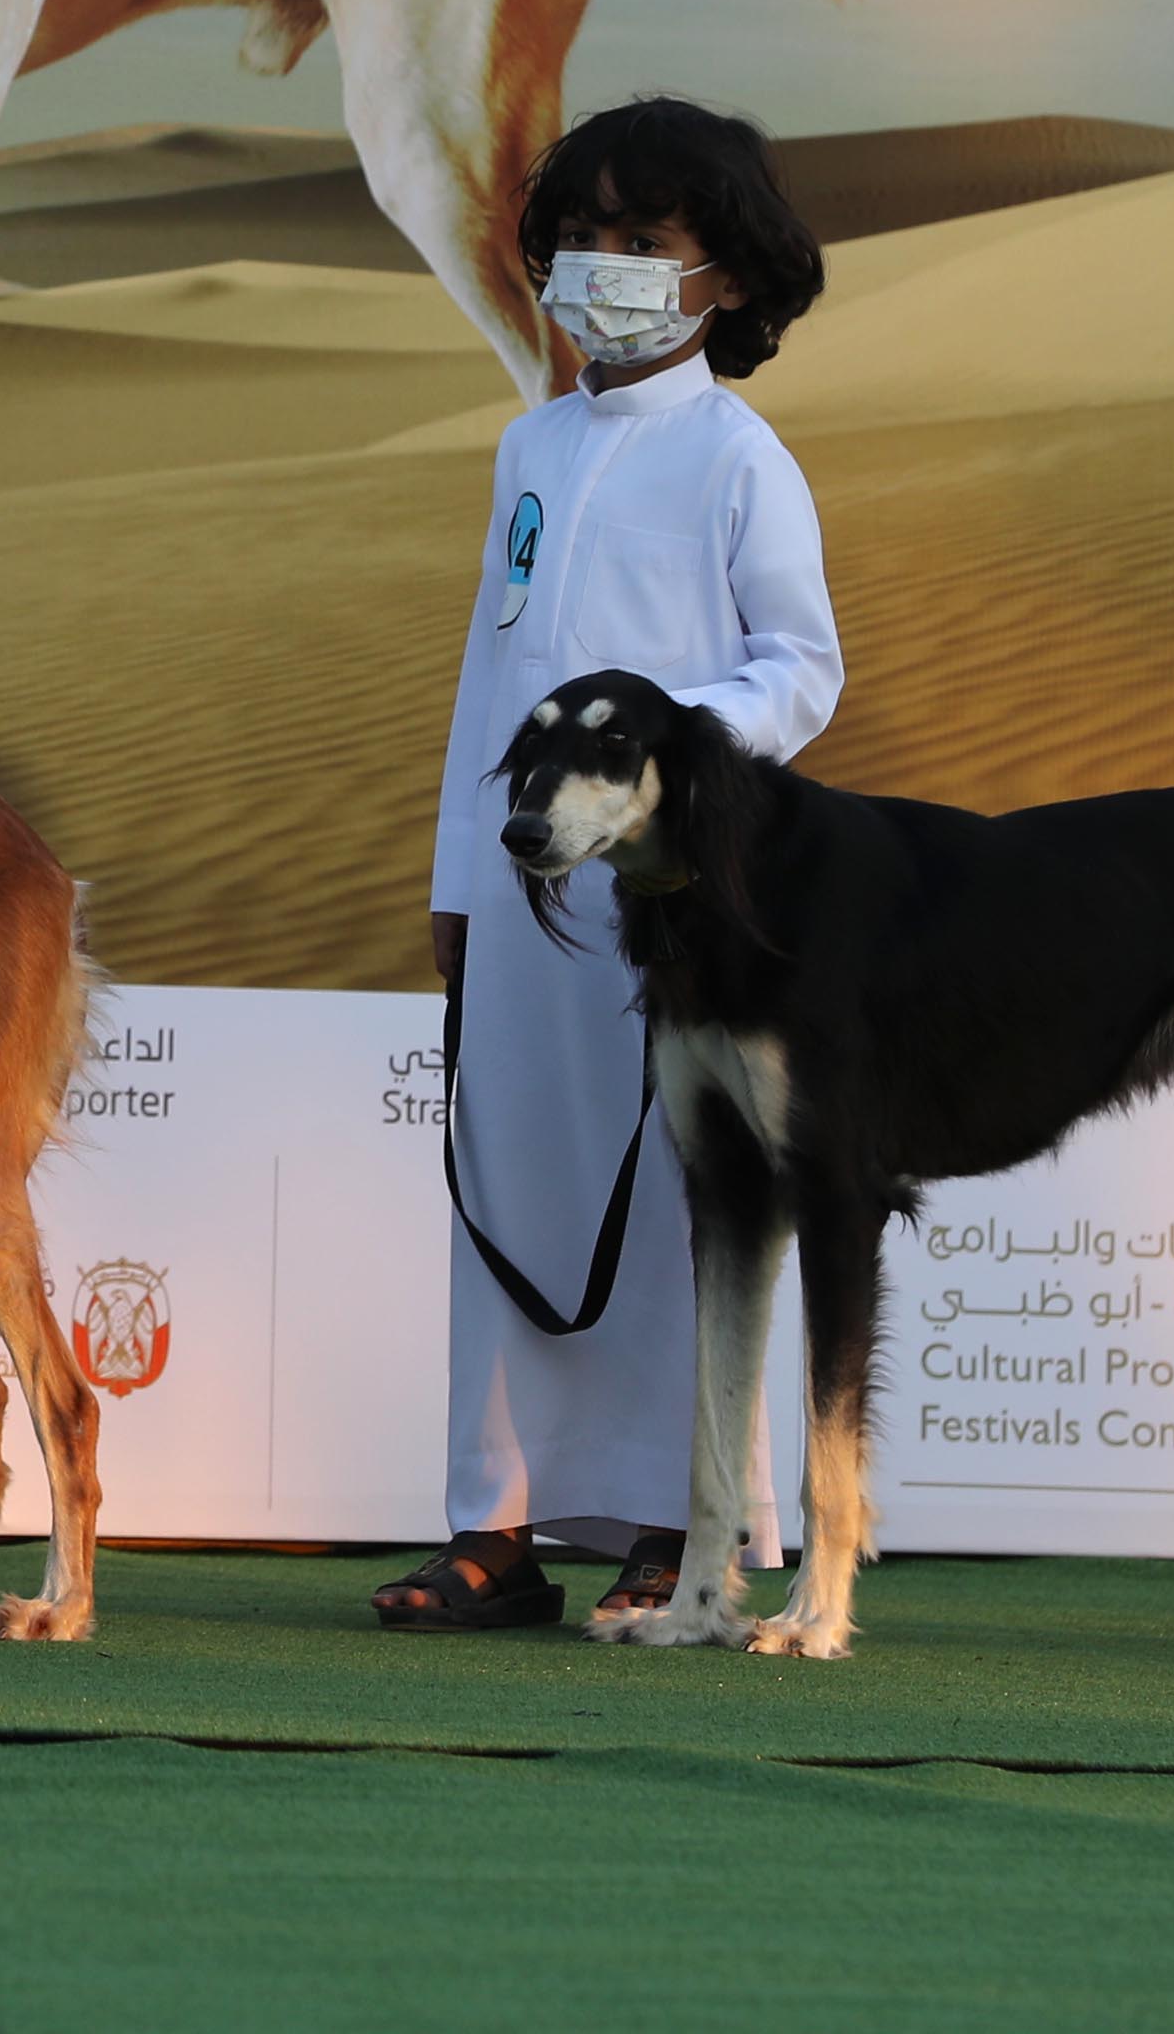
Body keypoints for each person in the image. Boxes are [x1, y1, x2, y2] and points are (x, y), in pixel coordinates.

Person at [373, 96, 840, 1630]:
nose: (603, 269)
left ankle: (679, 1522)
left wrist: (669, 759)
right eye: (581, 239)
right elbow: (487, 672)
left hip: (665, 898)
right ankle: (490, 1527)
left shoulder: (737, 458)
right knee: (508, 1179)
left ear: (728, 279)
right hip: (516, 891)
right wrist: (457, 875)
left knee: (669, 1206)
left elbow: (802, 665)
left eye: (645, 242)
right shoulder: (531, 442)